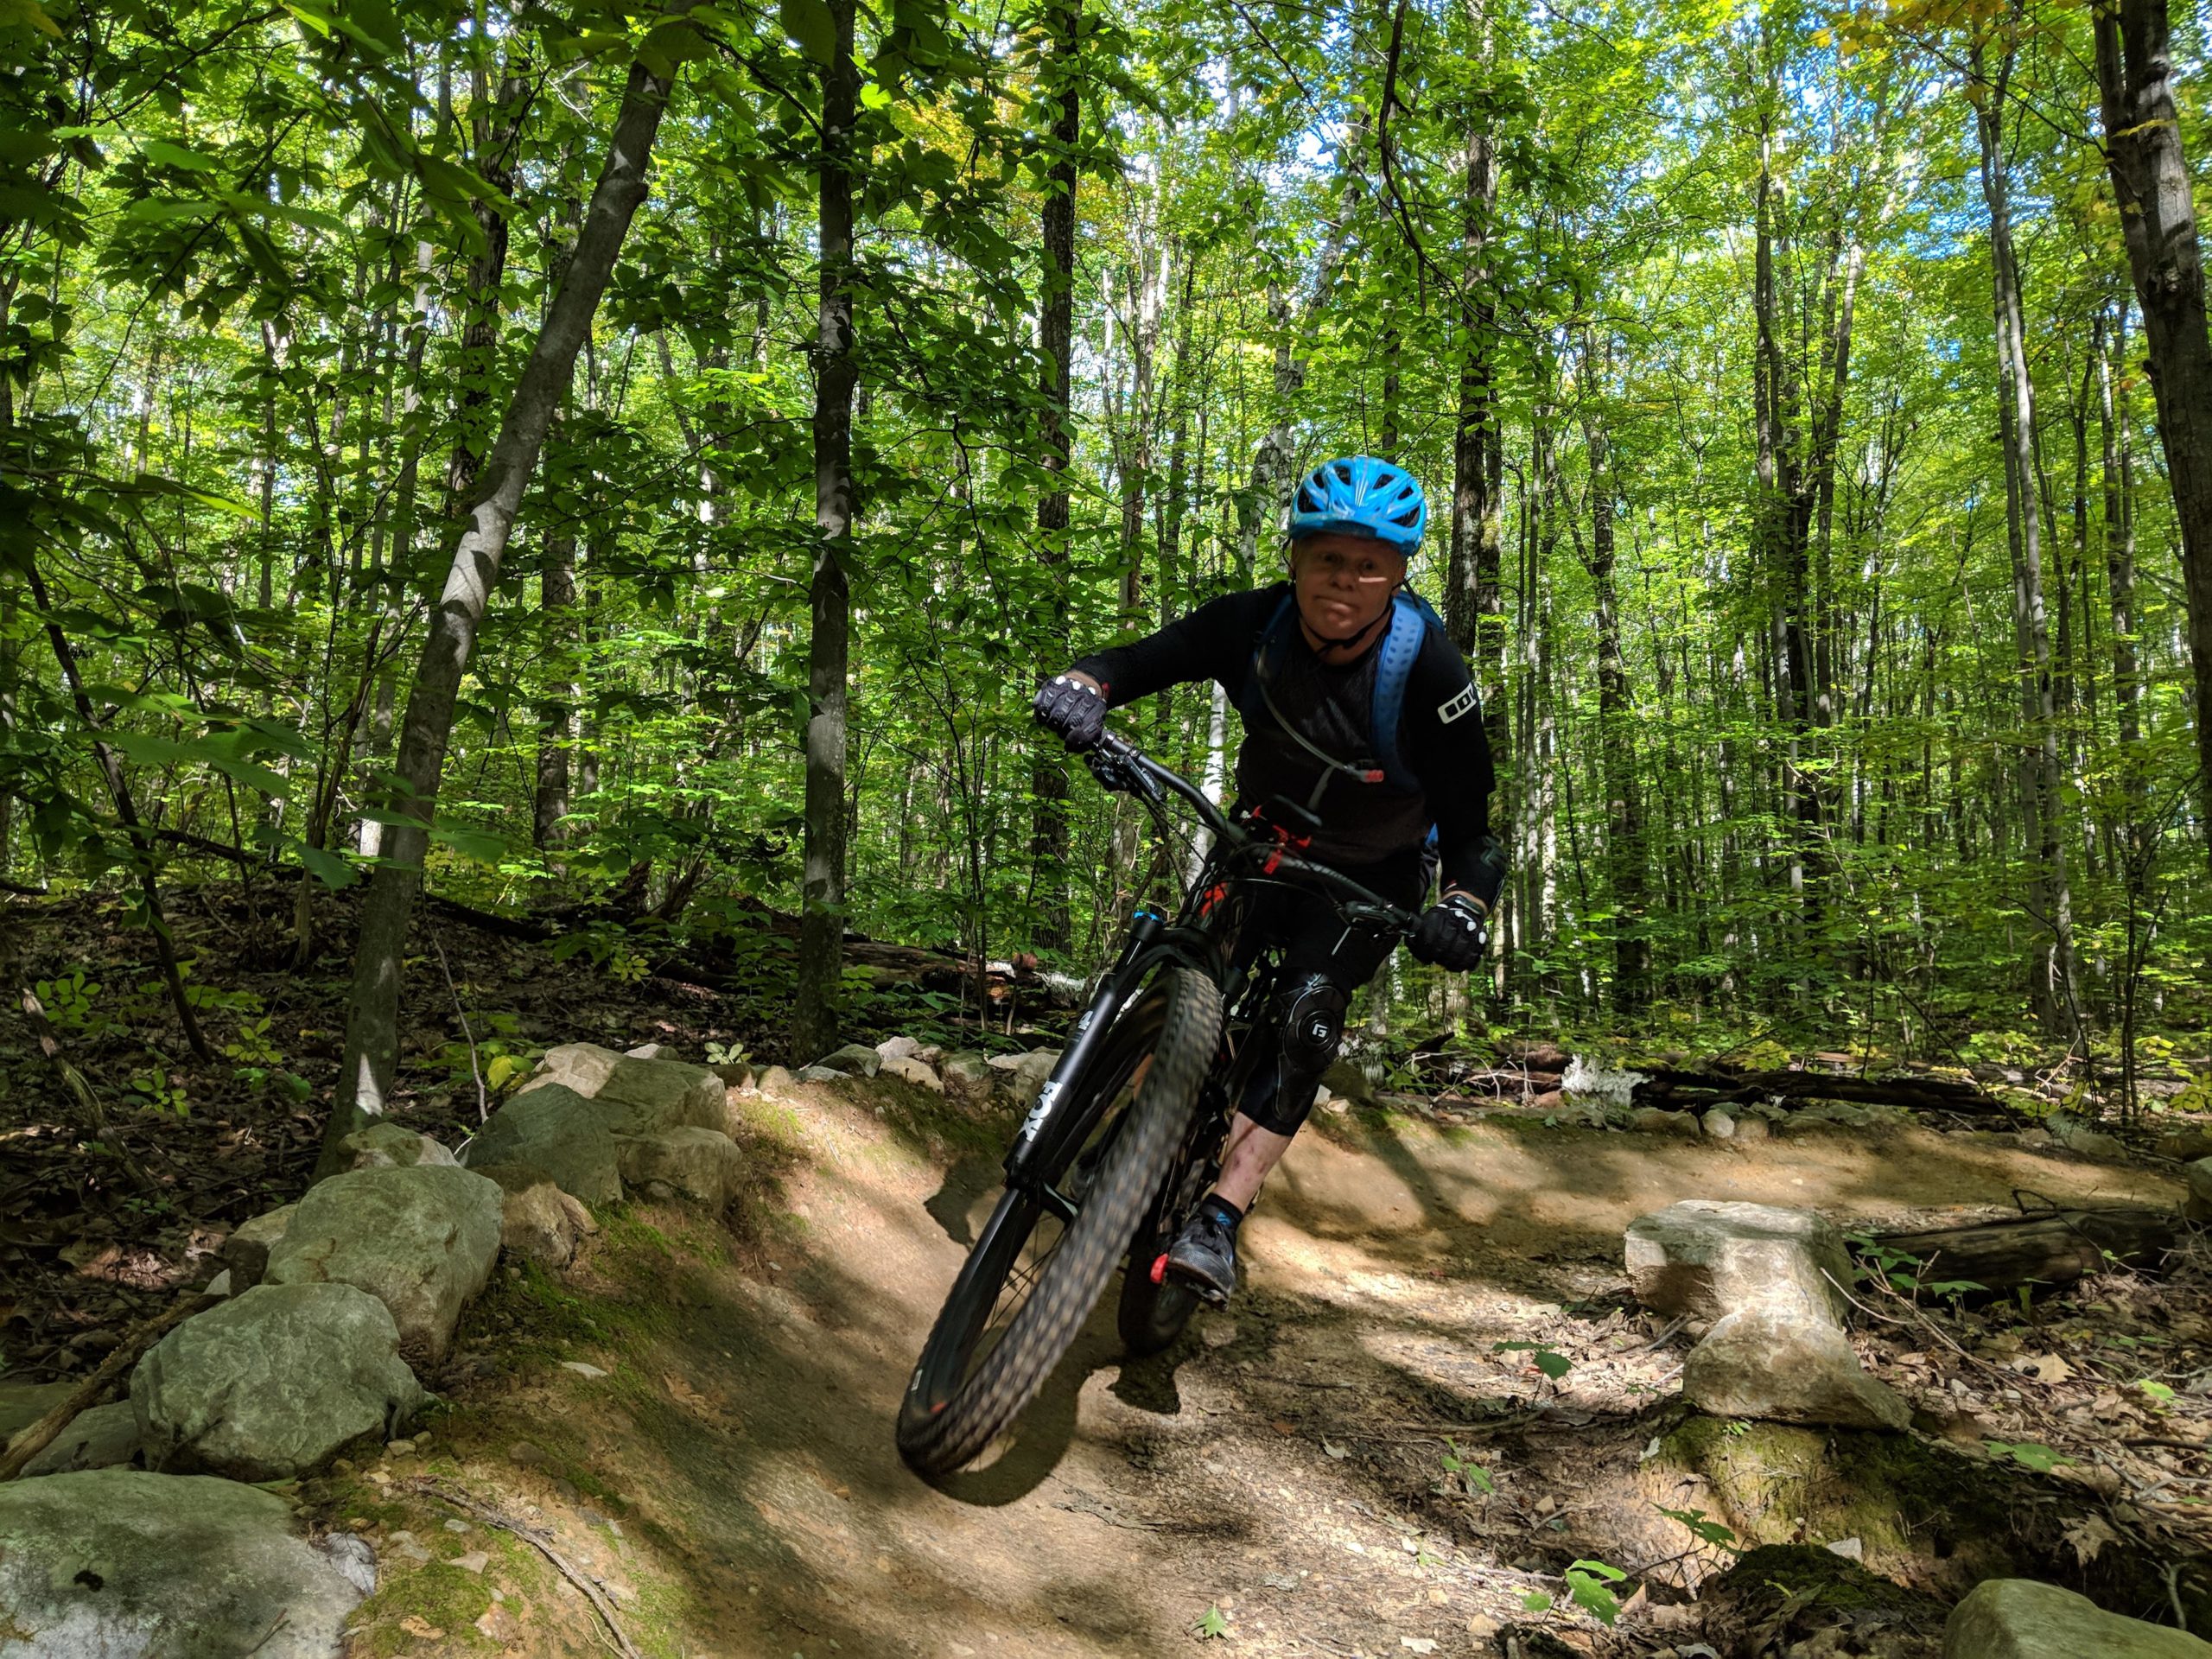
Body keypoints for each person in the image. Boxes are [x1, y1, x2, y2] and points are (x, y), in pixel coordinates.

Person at [1030, 455, 1505, 1305]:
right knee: (1184, 972)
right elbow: (1140, 659)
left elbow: (1474, 832)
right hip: (1260, 841)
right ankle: (1139, 1123)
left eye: (1370, 564)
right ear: (1294, 556)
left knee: (1304, 1021)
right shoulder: (1253, 626)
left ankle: (1218, 1216)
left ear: (1399, 574)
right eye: (1328, 557)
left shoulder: (1432, 672)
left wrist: (1463, 909)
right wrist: (1084, 684)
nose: (1345, 579)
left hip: (1372, 874)